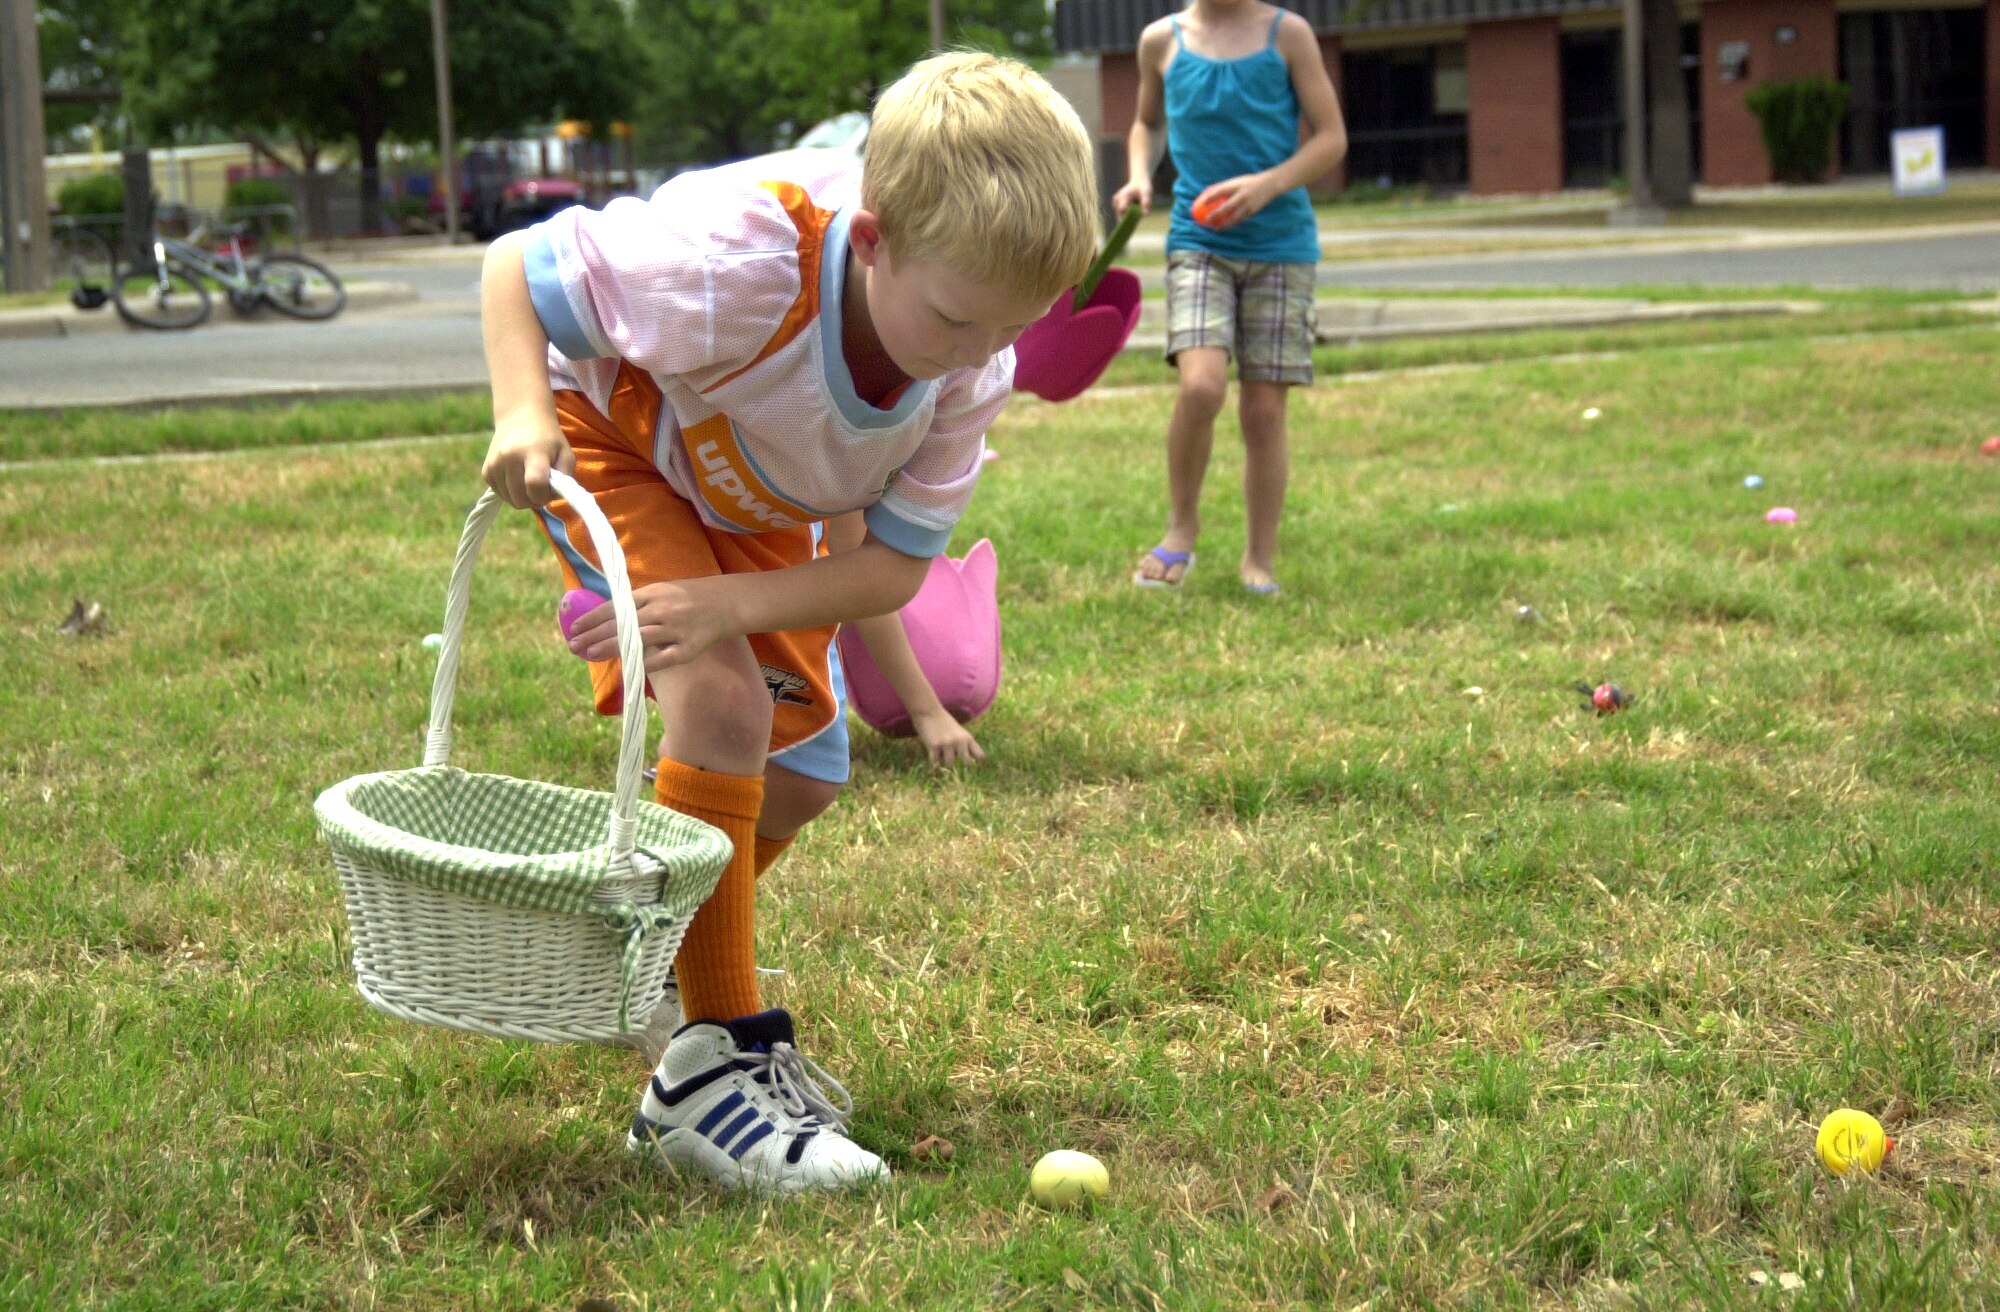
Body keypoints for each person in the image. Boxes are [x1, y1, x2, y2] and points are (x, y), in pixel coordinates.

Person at [477, 51, 1098, 1194]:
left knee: (804, 770)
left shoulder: (970, 362)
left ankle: (638, 944)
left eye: (1004, 329)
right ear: (870, 241)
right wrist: (522, 412)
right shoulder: (735, 261)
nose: (972, 358)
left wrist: (726, 599)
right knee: (718, 703)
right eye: (955, 318)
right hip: (612, 434)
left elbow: (893, 567)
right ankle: (706, 1074)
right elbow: (520, 263)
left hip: (753, 503)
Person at [1114, 0, 1347, 596]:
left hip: (1282, 244)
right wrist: (1139, 175)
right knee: (1201, 385)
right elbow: (1146, 123)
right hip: (1198, 243)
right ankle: (1180, 526)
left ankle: (1258, 559)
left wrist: (1269, 185)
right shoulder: (1159, 42)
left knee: (1265, 411)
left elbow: (1331, 139)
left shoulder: (1287, 34)